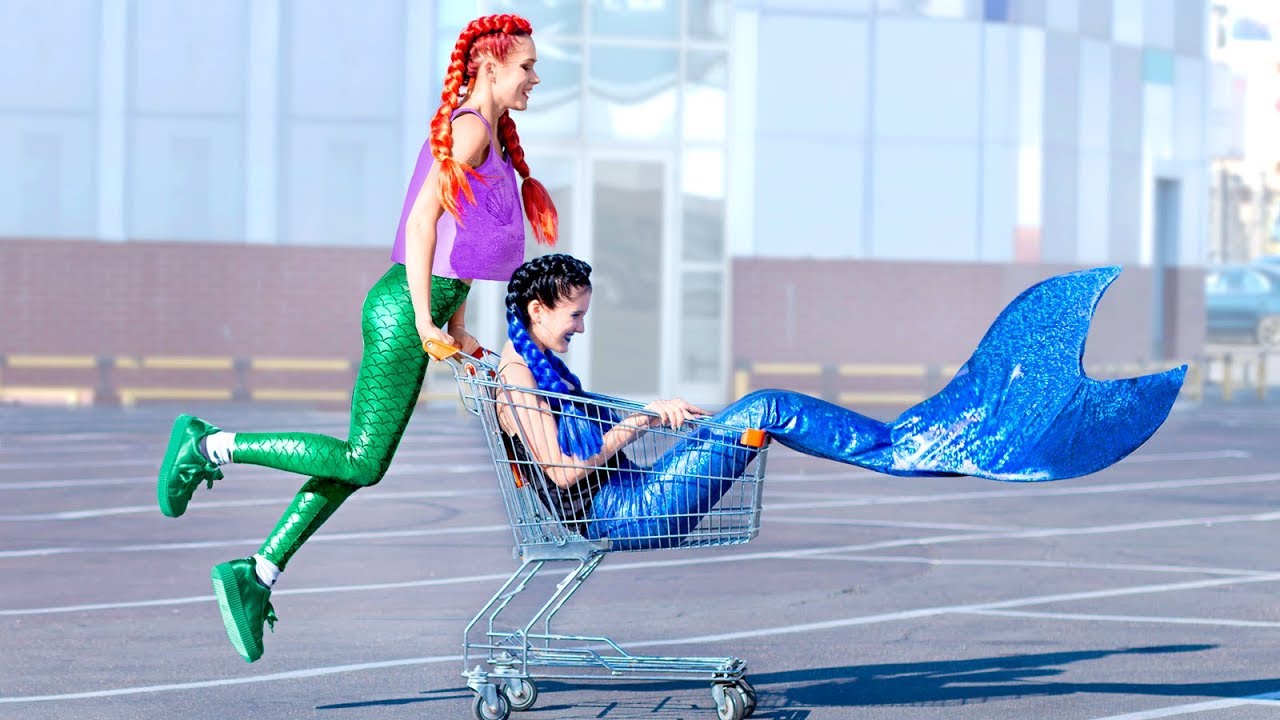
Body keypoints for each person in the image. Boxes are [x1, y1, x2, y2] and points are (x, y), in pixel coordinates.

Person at [155, 13, 557, 663]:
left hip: (417, 307)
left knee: (357, 462)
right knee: (362, 460)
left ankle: (258, 574)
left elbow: (459, 240)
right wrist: (425, 320)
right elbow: (423, 224)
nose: (535, 78)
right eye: (527, 67)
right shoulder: (471, 130)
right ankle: (207, 446)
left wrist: (455, 326)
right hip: (402, 310)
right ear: (490, 67)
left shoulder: (482, 133)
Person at [494, 254, 1186, 551]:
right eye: (574, 315)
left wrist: (645, 414)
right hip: (628, 511)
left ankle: (919, 440)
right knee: (767, 407)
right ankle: (913, 443)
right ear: (537, 309)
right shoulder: (520, 378)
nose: (580, 327)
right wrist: (637, 422)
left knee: (763, 407)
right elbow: (561, 470)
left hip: (635, 494)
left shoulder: (537, 364)